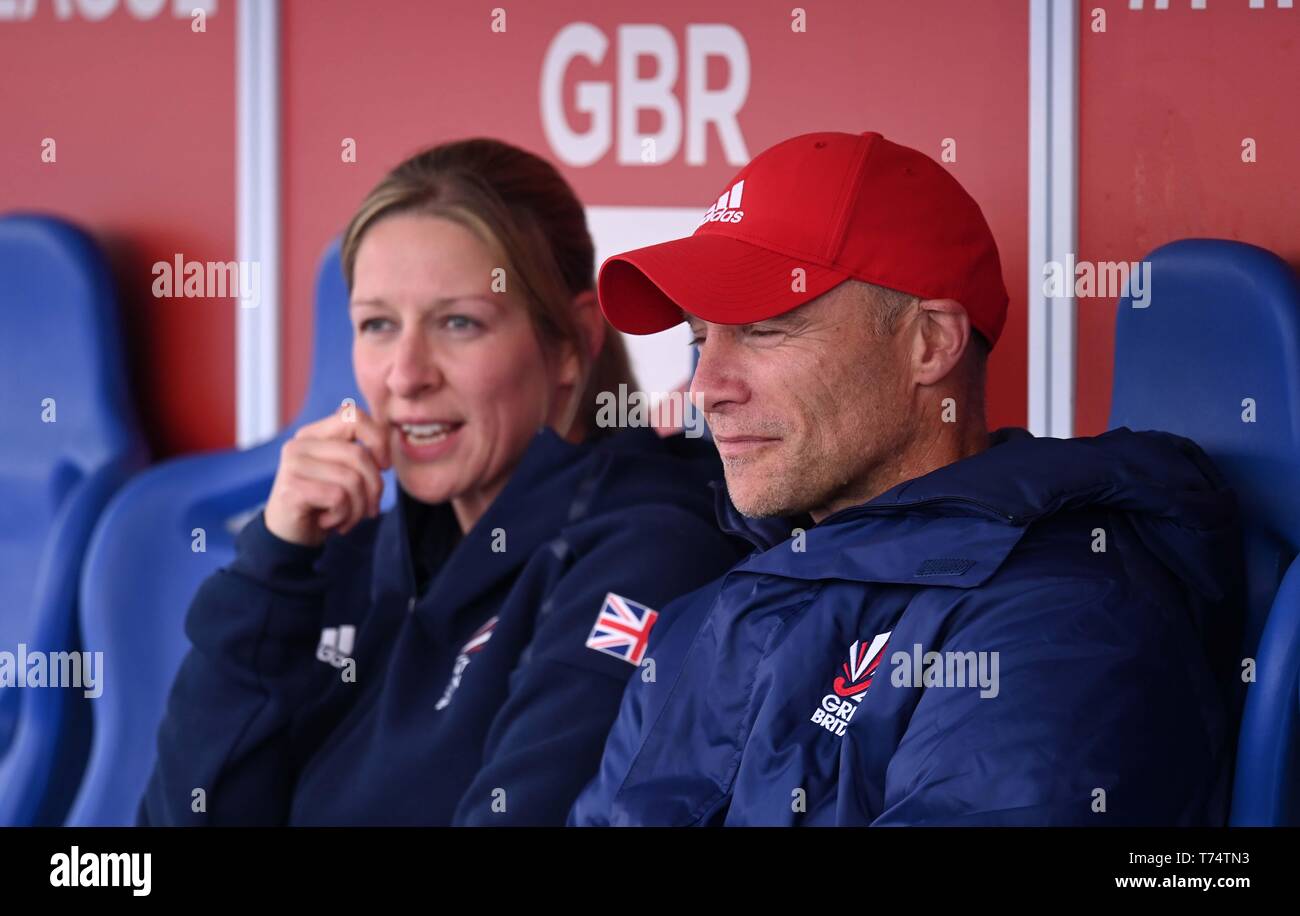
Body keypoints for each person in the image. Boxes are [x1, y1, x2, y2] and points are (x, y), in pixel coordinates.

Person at [570, 130, 1244, 826]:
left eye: (764, 329)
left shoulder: (1061, 622)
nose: (706, 386)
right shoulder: (712, 612)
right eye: (699, 340)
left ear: (931, 343)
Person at [139, 138, 744, 826]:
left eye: (458, 322)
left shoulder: (649, 548)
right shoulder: (345, 550)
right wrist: (272, 568)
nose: (405, 374)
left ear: (571, 342)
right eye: (376, 325)